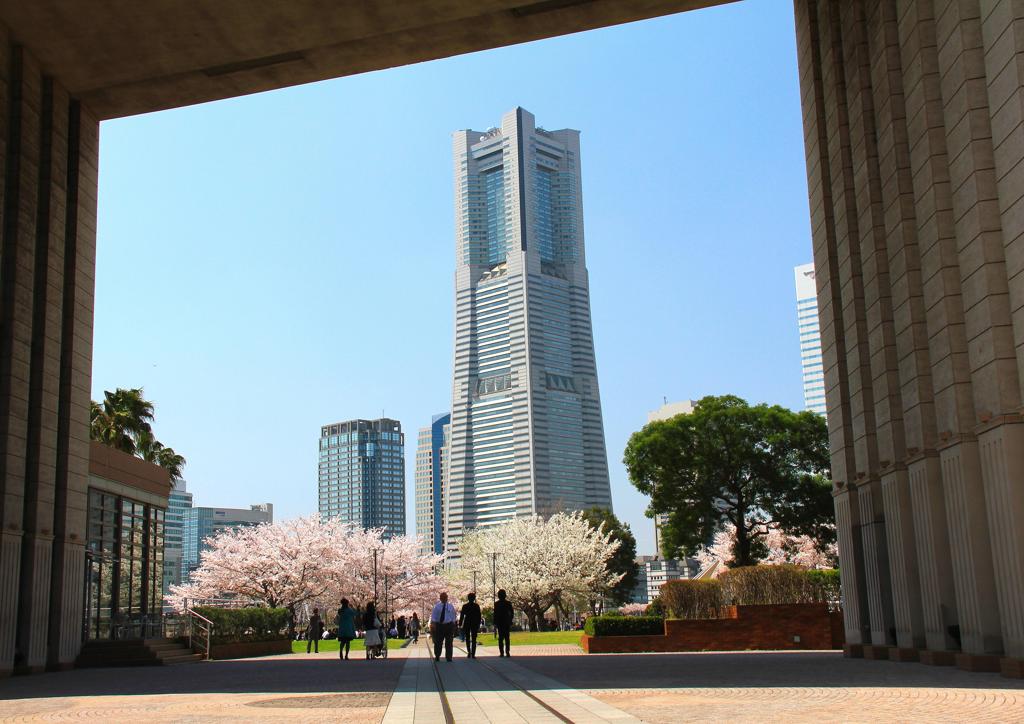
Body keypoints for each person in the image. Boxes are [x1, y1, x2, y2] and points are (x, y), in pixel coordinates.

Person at [430, 591, 457, 662]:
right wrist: (433, 624)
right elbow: (433, 616)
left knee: (449, 642)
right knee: (438, 642)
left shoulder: (450, 606)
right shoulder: (437, 606)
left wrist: (453, 624)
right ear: (440, 598)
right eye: (443, 597)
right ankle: (437, 655)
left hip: (449, 625)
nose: (444, 599)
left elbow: (453, 615)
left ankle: (449, 657)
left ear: (447, 598)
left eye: (445, 597)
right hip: (439, 626)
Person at [458, 592, 482, 659]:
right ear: (474, 598)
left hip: (467, 622)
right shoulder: (476, 606)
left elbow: (462, 615)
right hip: (474, 623)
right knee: (474, 639)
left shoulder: (465, 606)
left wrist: (460, 624)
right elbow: (479, 616)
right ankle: (473, 653)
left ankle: (469, 652)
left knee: (468, 638)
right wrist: (478, 623)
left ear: (468, 598)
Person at [493, 589, 514, 658]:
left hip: (500, 622)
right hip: (506, 621)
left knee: (501, 638)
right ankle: (507, 652)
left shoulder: (496, 604)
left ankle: (502, 652)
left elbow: (495, 614)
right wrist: (510, 620)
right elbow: (512, 612)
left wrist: (495, 622)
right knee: (507, 637)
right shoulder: (508, 603)